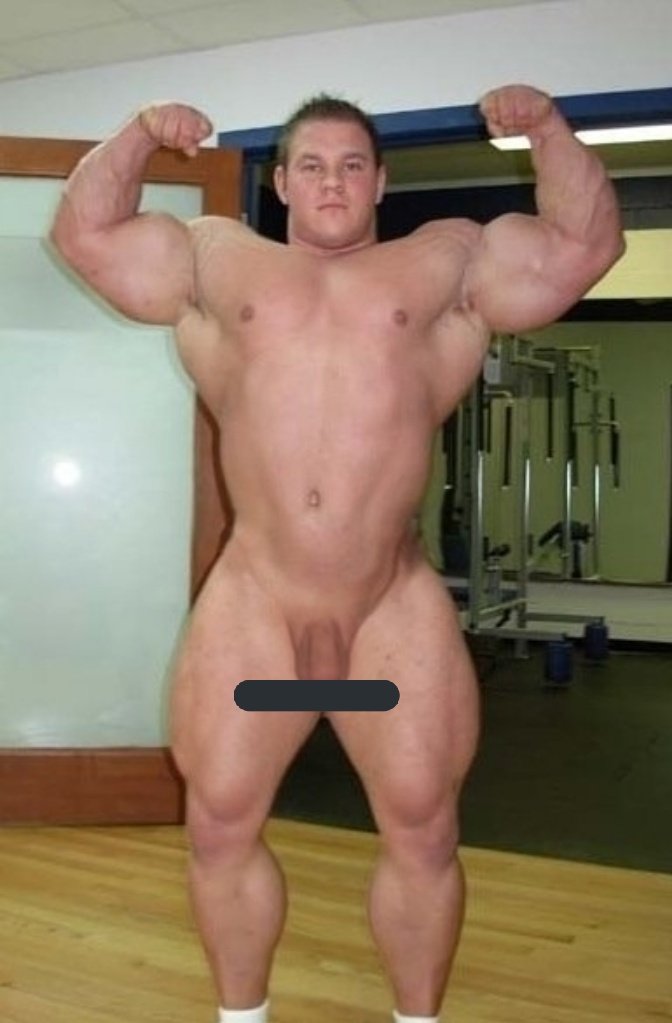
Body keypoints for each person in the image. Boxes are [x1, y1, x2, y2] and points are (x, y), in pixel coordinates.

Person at [50, 84, 623, 1023]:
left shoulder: (444, 263)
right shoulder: (214, 258)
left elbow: (584, 247)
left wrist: (550, 132)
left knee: (424, 829)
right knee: (220, 824)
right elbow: (85, 234)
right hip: (259, 611)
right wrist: (142, 132)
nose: (332, 181)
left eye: (353, 165)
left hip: (385, 614)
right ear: (280, 182)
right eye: (311, 164)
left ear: (380, 182)